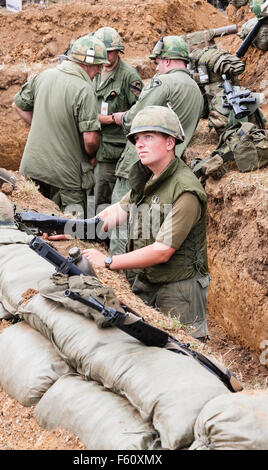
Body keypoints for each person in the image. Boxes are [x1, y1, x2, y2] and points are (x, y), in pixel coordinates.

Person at [81, 106, 210, 341]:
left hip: (179, 292)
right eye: (137, 139)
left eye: (148, 137)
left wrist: (109, 261)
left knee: (183, 357)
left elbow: (163, 251)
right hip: (148, 282)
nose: (139, 144)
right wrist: (73, 230)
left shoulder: (186, 190)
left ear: (170, 143)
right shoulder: (148, 176)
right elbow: (116, 212)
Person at [110, 35, 204, 255]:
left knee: (122, 222)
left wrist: (120, 118)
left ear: (167, 60)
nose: (157, 68)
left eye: (158, 62)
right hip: (169, 164)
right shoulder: (196, 90)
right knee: (149, 227)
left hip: (139, 162)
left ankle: (117, 271)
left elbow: (135, 119)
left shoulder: (164, 82)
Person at [12, 34, 109, 217]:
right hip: (67, 177)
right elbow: (90, 139)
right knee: (71, 229)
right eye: (98, 66)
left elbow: (17, 104)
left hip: (33, 168)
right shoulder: (84, 89)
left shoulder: (44, 76)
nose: (99, 71)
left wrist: (41, 123)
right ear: (86, 64)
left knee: (32, 222)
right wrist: (93, 156)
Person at [92, 26, 143, 211]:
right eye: (102, 52)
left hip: (114, 149)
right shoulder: (94, 71)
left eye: (110, 52)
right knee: (90, 189)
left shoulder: (129, 76)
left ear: (117, 52)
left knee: (104, 193)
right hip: (92, 144)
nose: (105, 57)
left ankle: (102, 235)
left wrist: (112, 119)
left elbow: (140, 109)